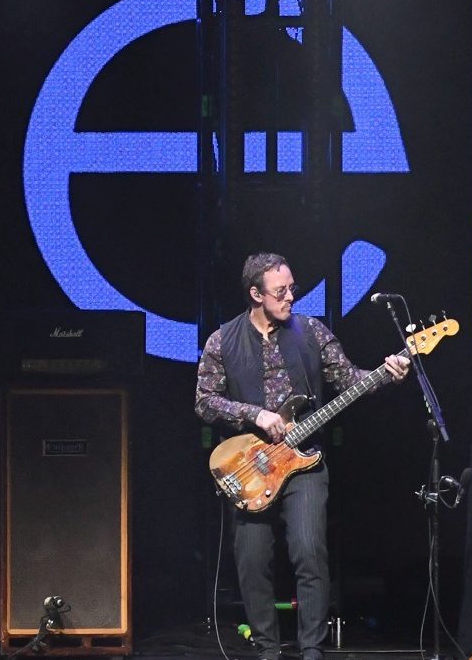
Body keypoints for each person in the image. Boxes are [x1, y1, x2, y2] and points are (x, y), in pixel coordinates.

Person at [194, 252, 409, 660]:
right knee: (253, 562)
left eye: (292, 287)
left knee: (310, 551)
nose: (291, 296)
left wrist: (387, 372)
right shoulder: (222, 340)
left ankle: (312, 650)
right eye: (281, 291)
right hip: (252, 464)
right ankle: (267, 651)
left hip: (305, 460)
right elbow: (204, 401)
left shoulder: (311, 332)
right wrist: (254, 413)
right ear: (256, 294)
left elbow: (350, 379)